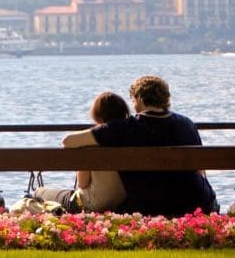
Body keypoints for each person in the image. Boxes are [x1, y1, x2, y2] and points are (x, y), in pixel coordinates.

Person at [61, 75, 217, 216]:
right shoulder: (187, 124)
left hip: (152, 207)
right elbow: (201, 172)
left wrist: (99, 129)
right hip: (201, 203)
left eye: (133, 100)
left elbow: (68, 141)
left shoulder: (125, 127)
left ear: (140, 99)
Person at [34, 91, 130, 212]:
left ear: (97, 115)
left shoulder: (90, 143)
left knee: (40, 192)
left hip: (93, 203)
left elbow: (83, 184)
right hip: (122, 201)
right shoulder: (130, 139)